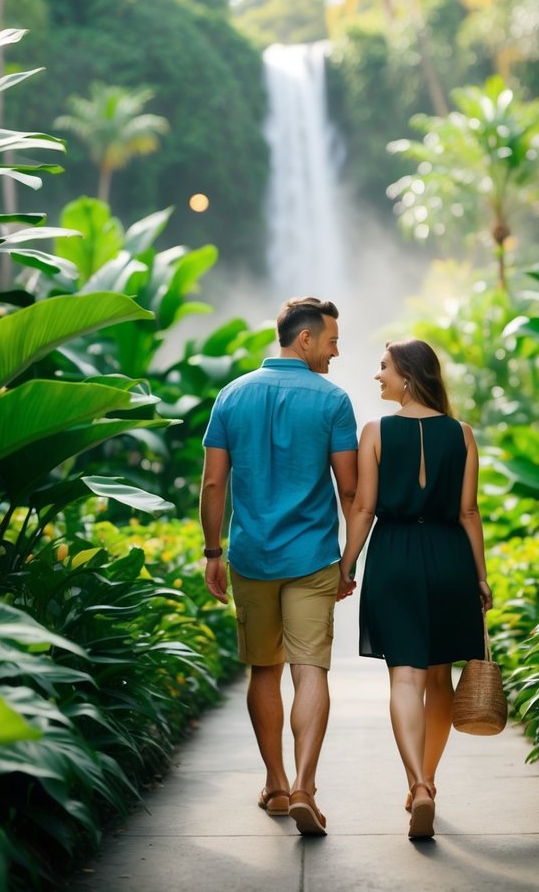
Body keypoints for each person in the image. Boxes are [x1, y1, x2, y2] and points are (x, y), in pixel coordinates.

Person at [200, 296, 358, 837]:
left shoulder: (232, 394)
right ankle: (306, 789)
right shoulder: (334, 402)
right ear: (305, 339)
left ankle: (275, 782)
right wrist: (349, 559)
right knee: (310, 669)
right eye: (332, 341)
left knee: (263, 669)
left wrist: (212, 552)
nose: (337, 352)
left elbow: (214, 483)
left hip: (250, 556)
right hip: (312, 557)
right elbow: (350, 489)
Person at [338, 338, 492, 840]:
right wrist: (481, 576)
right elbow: (469, 512)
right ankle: (429, 781)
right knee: (438, 679)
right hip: (449, 558)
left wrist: (347, 562)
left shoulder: (376, 432)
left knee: (404, 678)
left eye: (383, 368)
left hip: (396, 557)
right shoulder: (463, 433)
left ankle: (418, 784)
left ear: (407, 374)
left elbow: (363, 508)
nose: (377, 376)